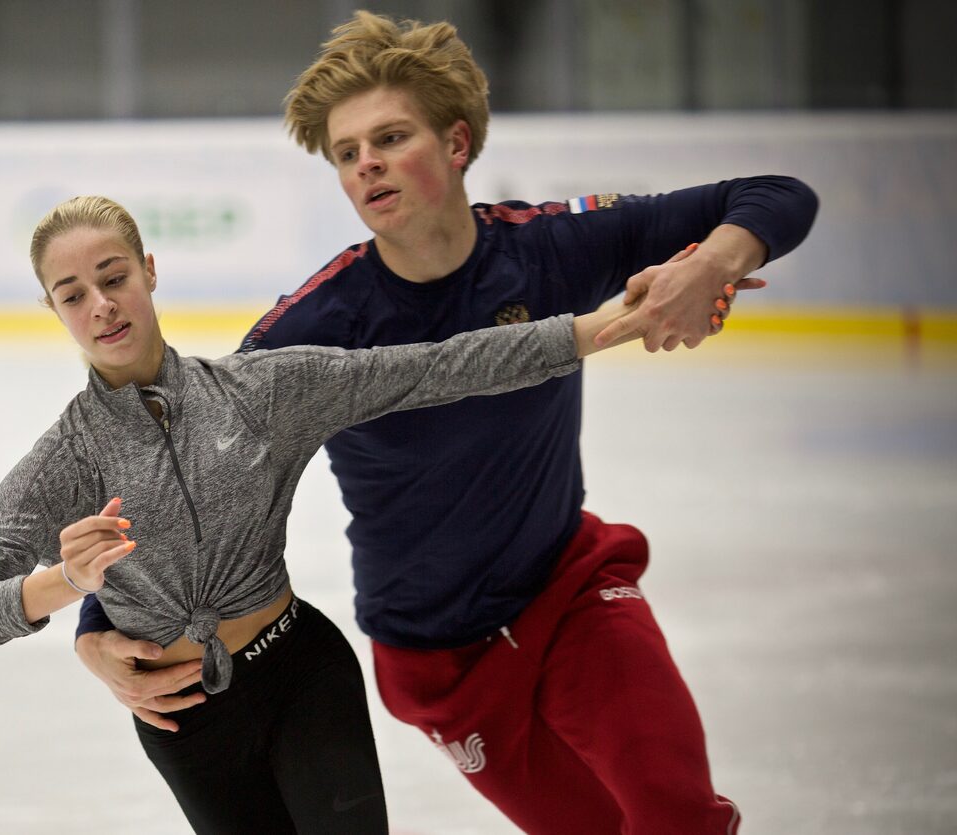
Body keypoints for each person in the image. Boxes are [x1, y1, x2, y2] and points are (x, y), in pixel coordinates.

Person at [73, 12, 819, 835]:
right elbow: (180, 472)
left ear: (458, 143)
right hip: (437, 660)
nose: (367, 165)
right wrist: (93, 625)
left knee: (675, 814)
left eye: (390, 137)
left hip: (572, 594)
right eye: (348, 154)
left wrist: (713, 261)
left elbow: (777, 195)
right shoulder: (316, 327)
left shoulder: (548, 251)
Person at [0, 195, 695, 834]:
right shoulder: (67, 456)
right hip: (184, 723)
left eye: (113, 276)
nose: (100, 306)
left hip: (302, 676)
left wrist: (605, 326)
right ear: (52, 309)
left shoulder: (262, 392)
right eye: (71, 294)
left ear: (149, 272)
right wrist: (65, 584)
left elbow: (441, 366)